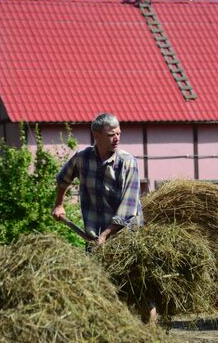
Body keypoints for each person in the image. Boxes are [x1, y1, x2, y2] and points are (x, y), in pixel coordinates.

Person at [51, 113, 157, 323]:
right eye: (111, 134)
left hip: (128, 235)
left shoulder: (128, 163)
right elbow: (63, 179)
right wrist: (59, 204)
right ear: (96, 135)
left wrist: (106, 235)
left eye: (118, 133)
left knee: (137, 287)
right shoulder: (82, 158)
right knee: (100, 285)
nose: (116, 138)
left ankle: (150, 333)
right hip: (94, 235)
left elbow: (128, 207)